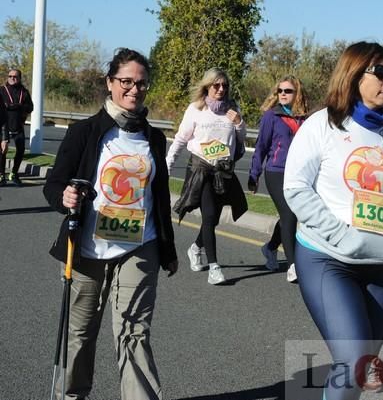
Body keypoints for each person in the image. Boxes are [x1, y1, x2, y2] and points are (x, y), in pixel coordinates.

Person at [43, 48, 178, 400]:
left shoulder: (153, 138)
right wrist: (65, 197)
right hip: (87, 247)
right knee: (80, 333)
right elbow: (54, 183)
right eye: (126, 82)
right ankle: (71, 395)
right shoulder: (86, 132)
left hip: (139, 245)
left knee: (134, 331)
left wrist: (168, 249)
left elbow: (159, 200)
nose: (134, 90)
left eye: (142, 83)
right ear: (110, 83)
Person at [283, 41, 383, 400]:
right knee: (354, 360)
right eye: (381, 73)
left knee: (358, 365)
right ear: (354, 76)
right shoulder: (320, 125)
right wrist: (341, 237)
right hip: (328, 260)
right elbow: (295, 189)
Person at [166, 67, 247, 285]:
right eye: (216, 85)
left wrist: (239, 123)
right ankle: (214, 267)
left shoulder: (232, 109)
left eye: (224, 86)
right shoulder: (196, 109)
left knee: (214, 217)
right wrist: (168, 164)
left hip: (223, 171)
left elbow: (241, 141)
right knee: (209, 216)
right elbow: (182, 139)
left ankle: (195, 248)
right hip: (201, 170)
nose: (220, 89)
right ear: (207, 86)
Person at [248, 75, 308, 282]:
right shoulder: (271, 116)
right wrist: (254, 174)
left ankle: (271, 247)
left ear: (297, 94)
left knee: (289, 216)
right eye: (280, 91)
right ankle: (293, 265)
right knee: (289, 214)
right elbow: (261, 147)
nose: (282, 94)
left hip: (299, 173)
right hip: (276, 171)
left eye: (288, 91)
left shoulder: (306, 118)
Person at [0, 68, 33, 186]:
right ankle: (1, 175)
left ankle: (14, 173)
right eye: (10, 76)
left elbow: (30, 107)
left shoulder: (24, 92)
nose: (12, 78)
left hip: (18, 125)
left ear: (19, 78)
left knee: (21, 150)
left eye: (15, 76)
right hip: (4, 124)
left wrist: (19, 107)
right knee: (2, 151)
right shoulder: (2, 90)